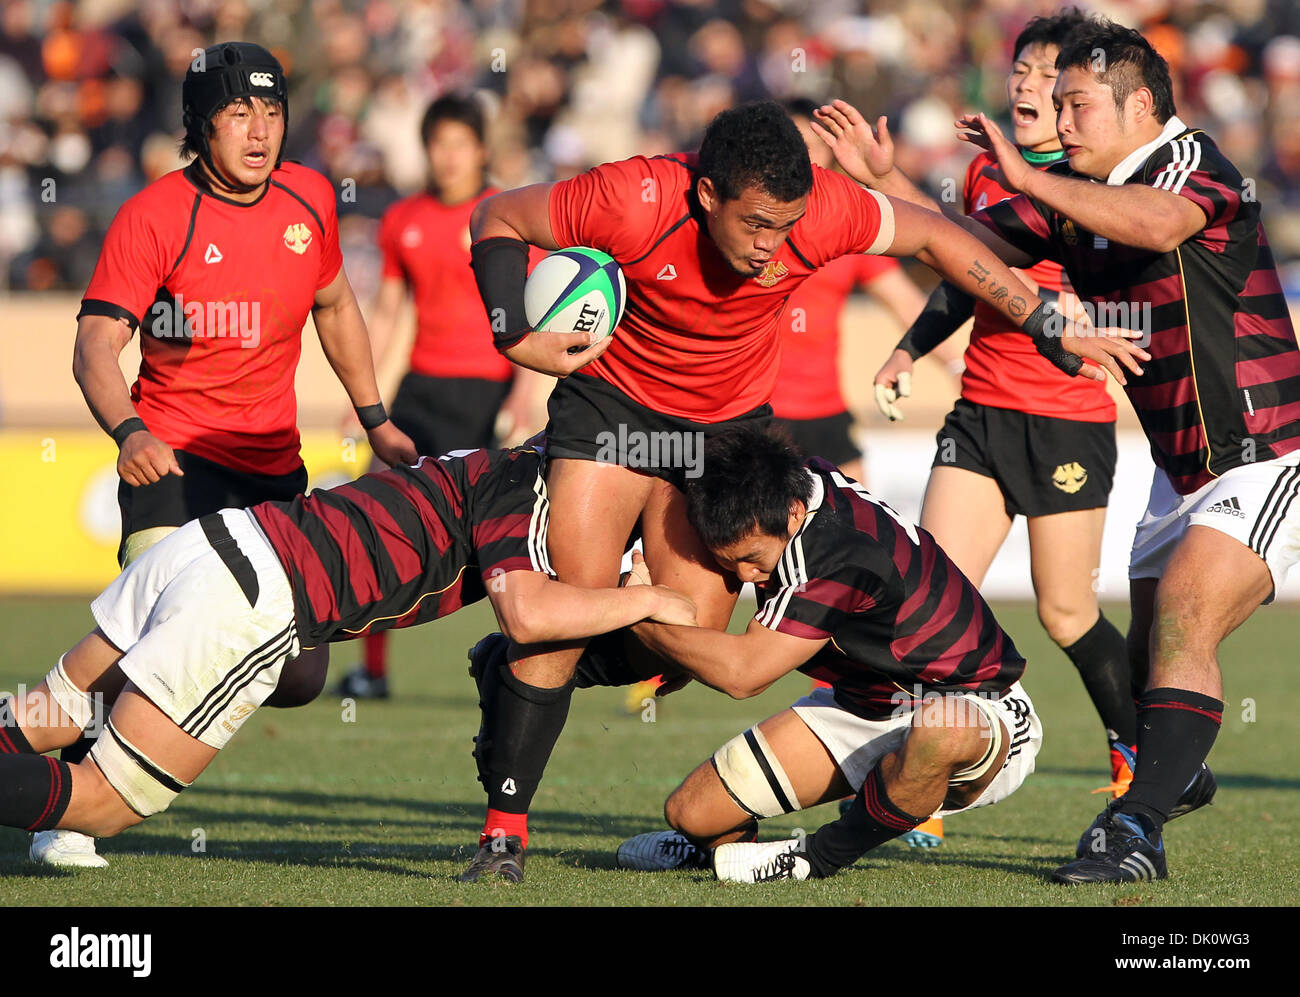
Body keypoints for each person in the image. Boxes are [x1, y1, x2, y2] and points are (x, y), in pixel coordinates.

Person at [457, 99, 1144, 882]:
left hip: (721, 434)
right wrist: (512, 328)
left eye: (784, 227)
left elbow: (937, 235)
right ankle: (503, 836)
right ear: (706, 192)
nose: (770, 246)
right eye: (754, 224)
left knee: (693, 630)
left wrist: (1046, 324)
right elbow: (497, 215)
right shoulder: (634, 195)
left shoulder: (821, 209)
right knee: (570, 607)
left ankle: (513, 665)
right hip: (611, 414)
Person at [813, 17, 1293, 883]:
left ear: (1140, 104)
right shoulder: (1065, 192)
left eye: (1077, 103)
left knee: (1183, 614)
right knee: (1150, 671)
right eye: (1055, 100)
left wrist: (1030, 172)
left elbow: (1155, 224)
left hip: (1264, 450)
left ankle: (1134, 829)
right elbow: (969, 261)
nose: (1059, 118)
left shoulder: (1189, 165)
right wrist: (888, 188)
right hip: (1177, 472)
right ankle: (1167, 776)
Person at [52, 41, 417, 869]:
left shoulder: (310, 198)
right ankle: (66, 798)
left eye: (273, 112)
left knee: (300, 677)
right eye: (238, 114)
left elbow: (335, 304)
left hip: (271, 473)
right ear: (199, 124)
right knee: (149, 646)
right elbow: (93, 349)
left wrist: (376, 417)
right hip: (173, 464)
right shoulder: (152, 216)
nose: (259, 132)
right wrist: (130, 431)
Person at [0, 445, 697, 854]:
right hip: (256, 596)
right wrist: (648, 598)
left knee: (51, 711)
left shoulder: (495, 462)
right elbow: (528, 612)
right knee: (102, 805)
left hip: (216, 541)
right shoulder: (526, 487)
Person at [868, 10, 1138, 850]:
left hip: (1065, 423)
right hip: (980, 413)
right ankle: (927, 790)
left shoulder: (1091, 185)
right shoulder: (986, 170)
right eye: (1019, 67)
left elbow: (983, 251)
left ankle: (1142, 749)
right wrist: (909, 348)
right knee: (936, 598)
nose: (1024, 81)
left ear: (1073, 97)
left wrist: (892, 188)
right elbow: (962, 272)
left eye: (1044, 71)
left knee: (1065, 612)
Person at [613, 424, 1040, 882]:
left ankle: (815, 858)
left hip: (976, 703)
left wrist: (639, 612)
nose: (748, 577)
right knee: (692, 814)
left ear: (794, 513)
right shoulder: (793, 484)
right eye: (728, 559)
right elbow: (702, 462)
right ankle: (732, 854)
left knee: (944, 730)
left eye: (754, 557)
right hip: (865, 702)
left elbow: (743, 675)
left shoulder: (836, 557)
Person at [334, 93, 547, 701]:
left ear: (480, 149)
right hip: (419, 392)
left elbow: (533, 307)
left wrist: (524, 395)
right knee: (376, 520)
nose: (449, 157)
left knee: (501, 538)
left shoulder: (507, 215)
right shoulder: (404, 219)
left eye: (460, 144)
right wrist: (364, 396)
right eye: (438, 145)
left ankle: (520, 670)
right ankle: (372, 671)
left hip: (487, 391)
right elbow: (389, 311)